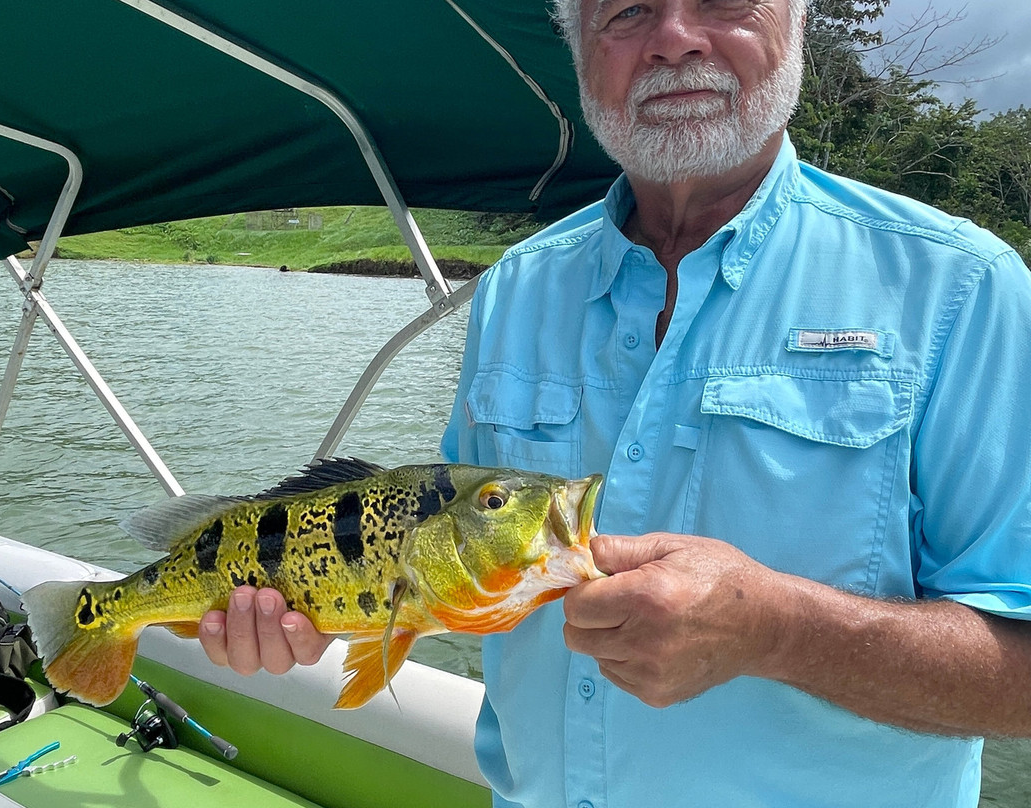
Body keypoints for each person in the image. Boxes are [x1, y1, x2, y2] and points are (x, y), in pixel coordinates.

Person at [199, 0, 1031, 805]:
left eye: (722, 1)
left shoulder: (964, 290)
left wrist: (778, 631)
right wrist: (325, 607)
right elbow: (447, 563)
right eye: (627, 11)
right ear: (580, 50)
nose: (673, 39)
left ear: (798, 20)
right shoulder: (515, 288)